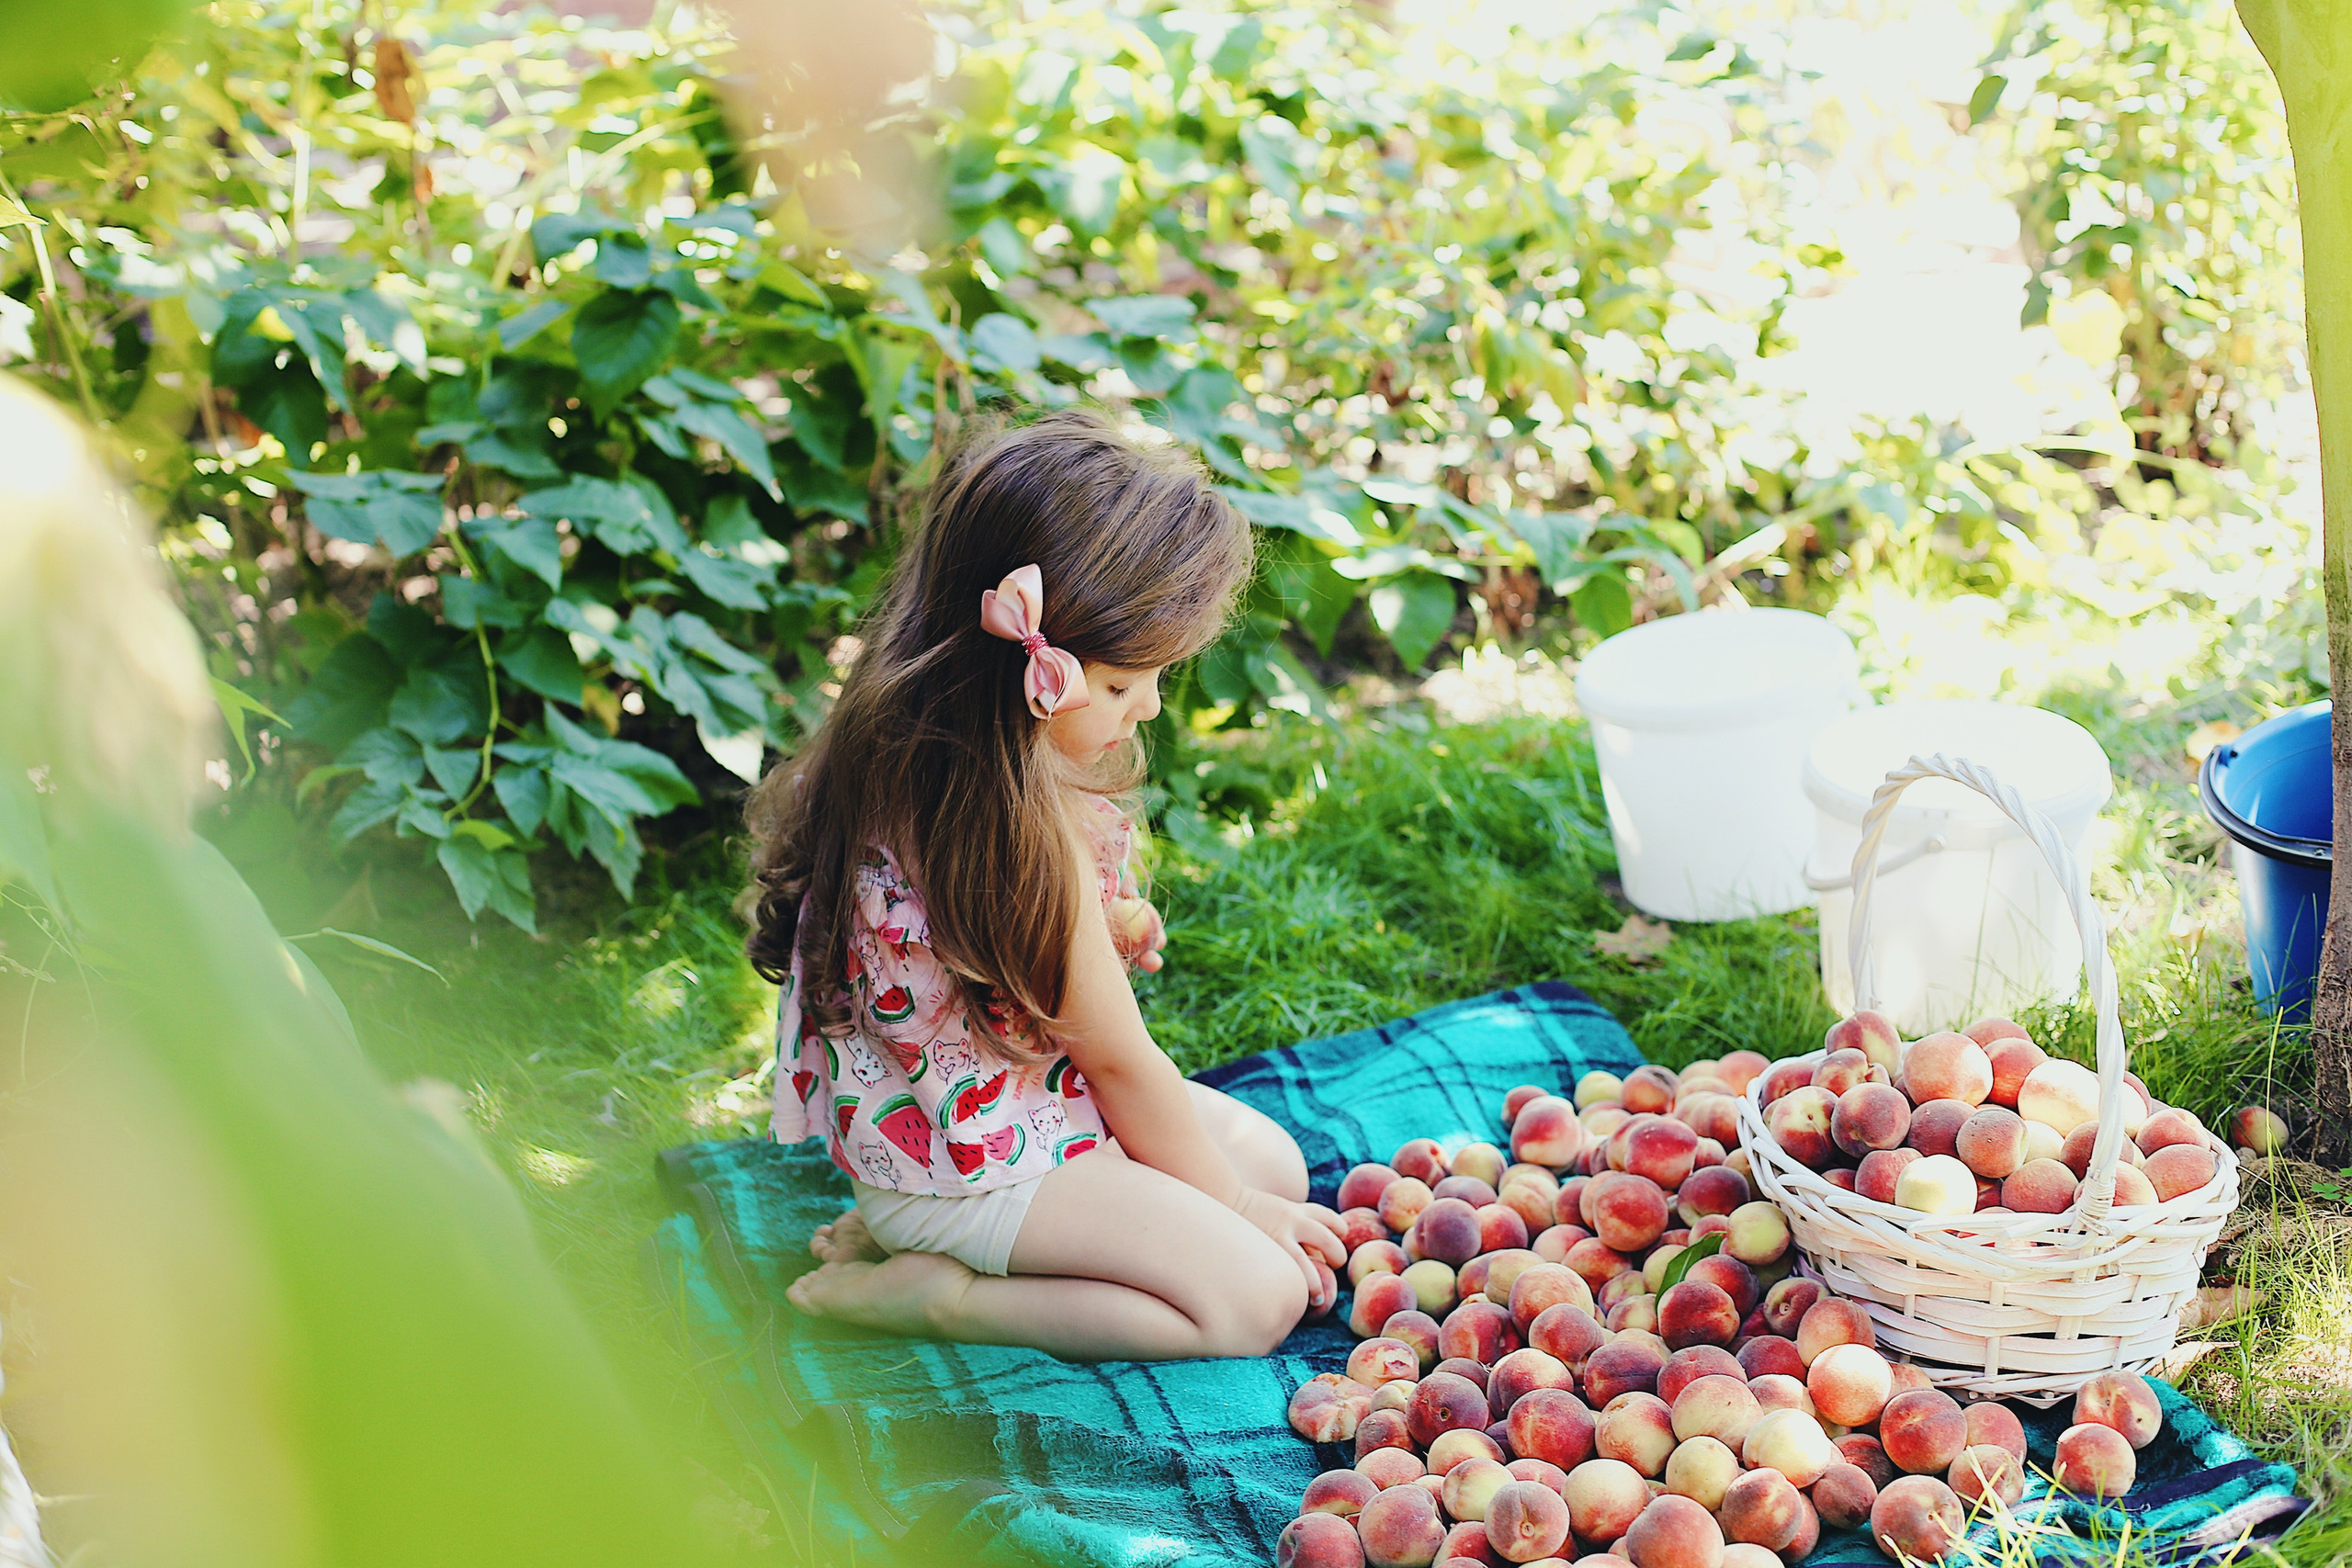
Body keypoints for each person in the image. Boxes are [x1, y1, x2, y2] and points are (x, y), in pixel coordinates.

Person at [744, 409, 1346, 1361]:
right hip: (976, 1167)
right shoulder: (1018, 844)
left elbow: (954, 951)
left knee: (1277, 1165)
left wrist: (1102, 924)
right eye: (1120, 686)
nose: (1147, 707)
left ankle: (922, 1228)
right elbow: (1121, 1062)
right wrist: (1232, 1206)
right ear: (1027, 672)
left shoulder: (928, 752)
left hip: (985, 1110)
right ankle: (942, 1293)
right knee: (1258, 1296)